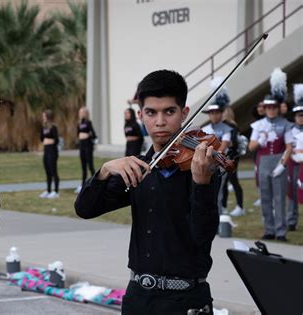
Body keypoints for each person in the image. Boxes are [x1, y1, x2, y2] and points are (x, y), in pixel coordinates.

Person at [75, 70, 219, 314]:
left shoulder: (201, 168)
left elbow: (203, 236)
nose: (160, 121)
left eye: (169, 112)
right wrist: (104, 171)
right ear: (140, 115)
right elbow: (85, 209)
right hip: (138, 298)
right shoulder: (138, 169)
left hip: (185, 301)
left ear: (184, 113)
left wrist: (201, 184)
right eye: (151, 113)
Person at [248, 95, 293, 242]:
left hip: (278, 159)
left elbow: (289, 146)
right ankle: (269, 229)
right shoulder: (259, 124)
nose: (271, 110)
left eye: (274, 107)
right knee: (265, 196)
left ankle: (280, 231)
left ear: (278, 108)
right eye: (269, 107)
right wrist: (260, 140)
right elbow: (251, 146)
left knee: (279, 197)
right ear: (265, 109)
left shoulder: (285, 123)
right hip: (263, 161)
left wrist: (283, 164)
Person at [201, 79, 232, 215]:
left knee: (218, 191)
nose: (214, 115)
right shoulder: (205, 129)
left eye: (217, 113)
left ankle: (218, 215)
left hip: (219, 162)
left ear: (221, 113)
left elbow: (223, 146)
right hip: (206, 163)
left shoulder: (226, 128)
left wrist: (213, 157)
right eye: (211, 113)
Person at [221, 107, 245, 217]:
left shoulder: (231, 125)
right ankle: (223, 206)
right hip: (226, 155)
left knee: (233, 180)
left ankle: (240, 207)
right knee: (224, 182)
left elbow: (233, 142)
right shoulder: (224, 124)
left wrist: (225, 143)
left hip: (232, 156)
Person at [287, 83, 303, 231]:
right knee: (292, 191)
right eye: (299, 115)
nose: (301, 118)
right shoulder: (290, 130)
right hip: (294, 165)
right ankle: (291, 220)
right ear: (295, 116)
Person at [38, 109, 60, 199]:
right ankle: (48, 190)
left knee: (53, 171)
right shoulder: (44, 127)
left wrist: (49, 140)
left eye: (44, 116)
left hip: (52, 151)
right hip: (46, 150)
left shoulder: (53, 127)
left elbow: (56, 140)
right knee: (47, 171)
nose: (43, 118)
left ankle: (56, 191)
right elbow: (42, 139)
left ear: (48, 116)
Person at [76, 107, 97, 193]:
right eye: (80, 112)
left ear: (86, 113)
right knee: (83, 166)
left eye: (82, 112)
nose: (81, 114)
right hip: (82, 145)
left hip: (88, 145)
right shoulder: (79, 123)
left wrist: (88, 135)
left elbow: (94, 135)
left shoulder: (88, 122)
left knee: (90, 165)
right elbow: (78, 134)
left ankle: (95, 183)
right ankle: (82, 185)